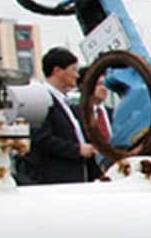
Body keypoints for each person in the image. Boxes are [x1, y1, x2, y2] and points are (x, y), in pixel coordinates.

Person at [21, 47, 95, 184]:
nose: (77, 75)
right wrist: (77, 149)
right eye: (73, 70)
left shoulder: (66, 102)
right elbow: (42, 138)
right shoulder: (41, 100)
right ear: (57, 71)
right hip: (55, 177)